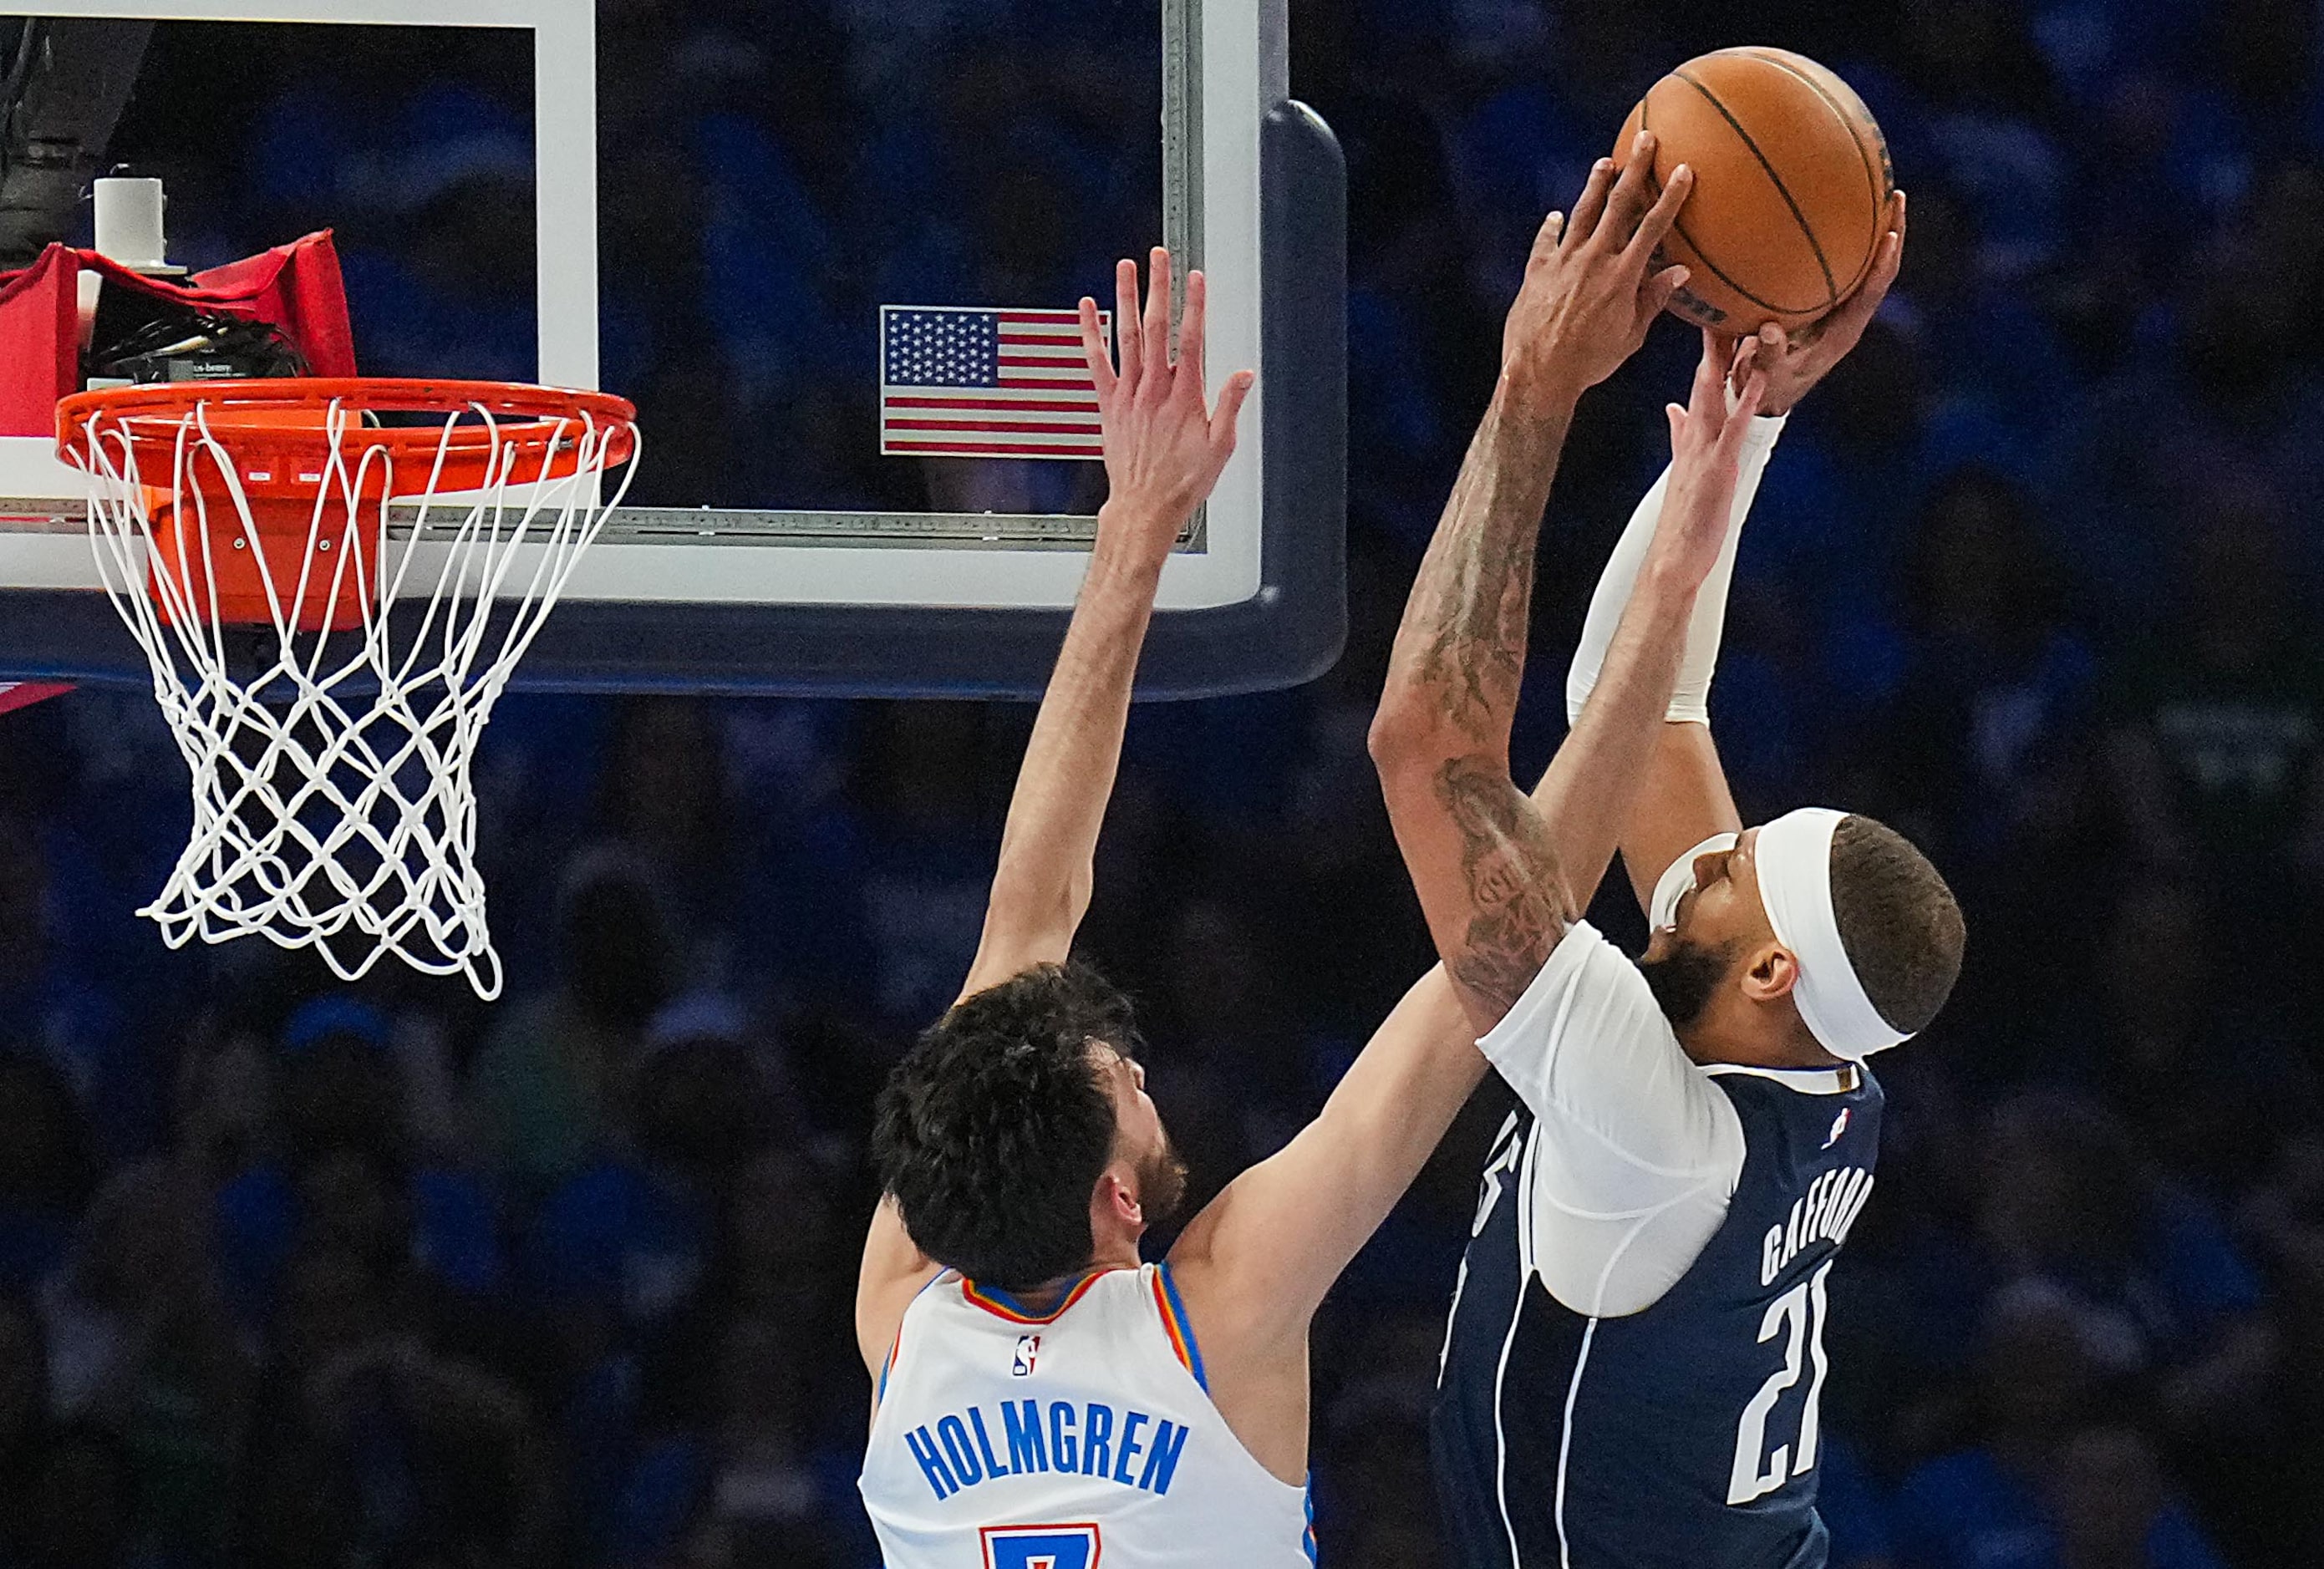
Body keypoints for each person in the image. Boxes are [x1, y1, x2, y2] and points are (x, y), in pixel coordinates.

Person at [1369, 137, 1965, 1569]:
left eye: (1732, 857)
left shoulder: (1661, 1141)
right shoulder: (1789, 1038)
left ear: (1765, 964)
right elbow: (1647, 709)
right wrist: (1747, 419)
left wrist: (1535, 380)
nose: (1698, 850)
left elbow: (1430, 757)